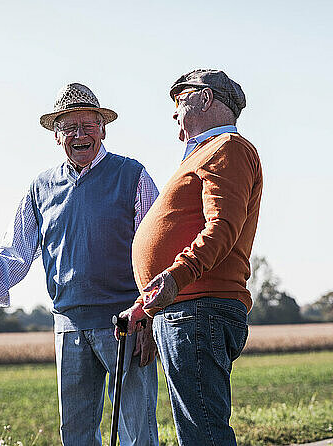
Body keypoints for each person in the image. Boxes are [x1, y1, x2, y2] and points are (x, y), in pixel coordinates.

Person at [0, 83, 160, 446]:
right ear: (57, 136)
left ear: (103, 128)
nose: (80, 135)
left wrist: (149, 315)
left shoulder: (133, 176)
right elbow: (15, 248)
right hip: (68, 326)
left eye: (88, 125)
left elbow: (156, 251)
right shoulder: (42, 187)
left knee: (138, 433)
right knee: (76, 435)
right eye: (70, 128)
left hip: (126, 324)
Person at [120, 69, 263, 446]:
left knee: (204, 436)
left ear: (205, 99)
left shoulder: (228, 148)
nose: (174, 113)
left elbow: (222, 227)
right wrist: (145, 306)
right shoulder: (204, 154)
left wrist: (176, 277)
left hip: (199, 309)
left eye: (180, 100)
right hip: (186, 309)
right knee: (197, 433)